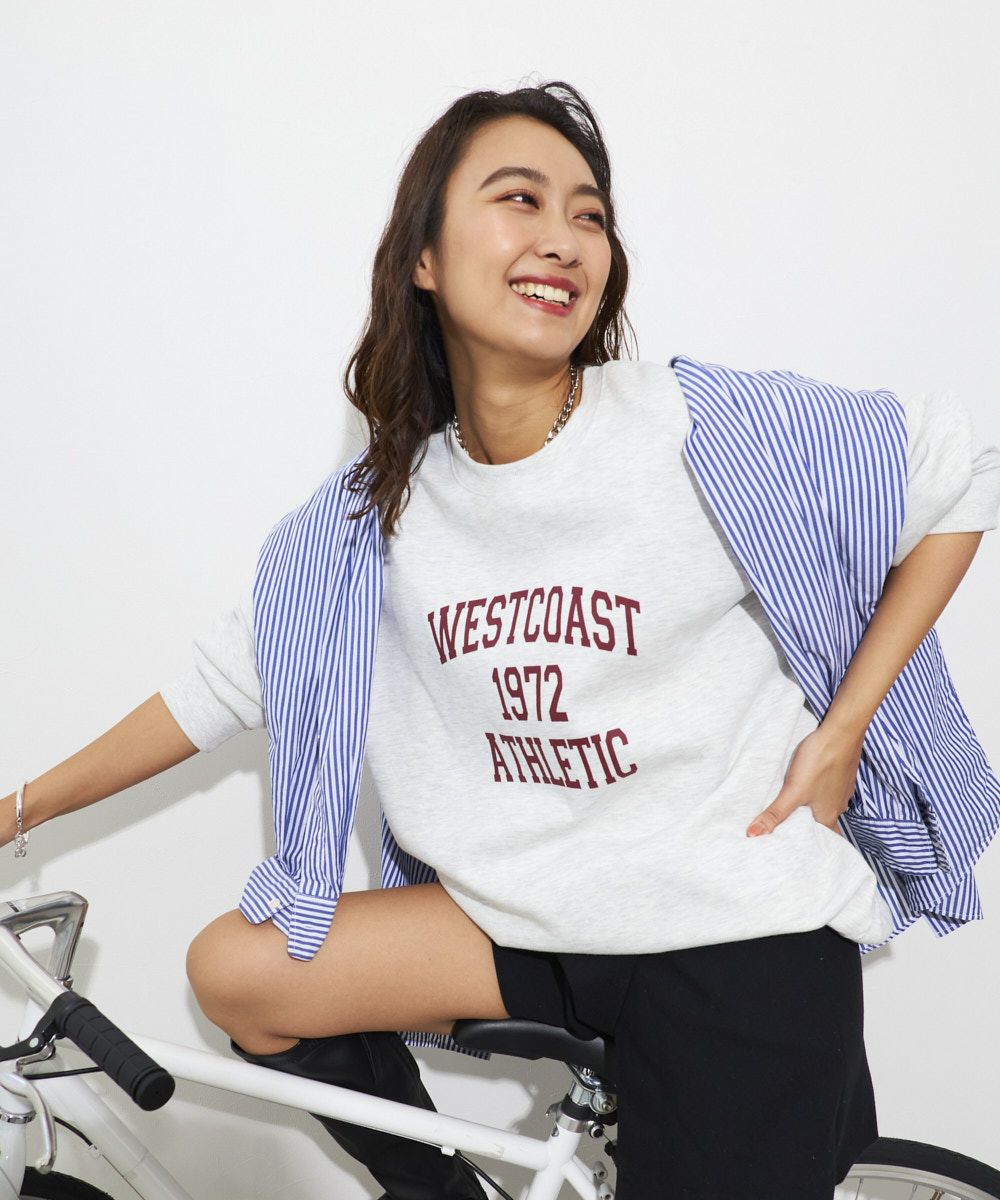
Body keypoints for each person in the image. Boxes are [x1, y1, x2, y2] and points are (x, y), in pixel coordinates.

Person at [5, 80, 1000, 1200]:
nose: (563, 239)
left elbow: (953, 468)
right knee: (238, 969)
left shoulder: (693, 428)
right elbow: (220, 689)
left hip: (732, 930)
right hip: (526, 919)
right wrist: (18, 810)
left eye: (589, 214)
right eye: (520, 199)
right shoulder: (376, 514)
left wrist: (845, 729)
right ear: (424, 257)